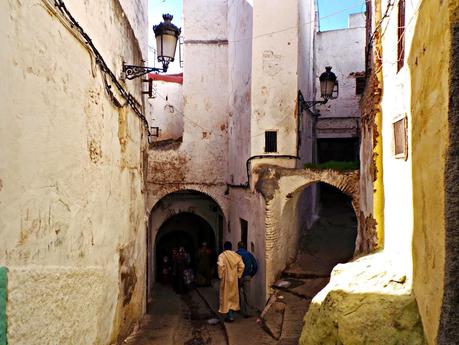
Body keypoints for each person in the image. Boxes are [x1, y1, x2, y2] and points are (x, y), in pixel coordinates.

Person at [217, 241, 245, 322]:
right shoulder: (236, 256)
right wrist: (238, 275)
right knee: (233, 297)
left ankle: (230, 316)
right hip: (234, 280)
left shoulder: (222, 256)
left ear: (224, 247)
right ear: (231, 247)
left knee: (226, 297)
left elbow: (220, 265)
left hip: (226, 279)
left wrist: (220, 275)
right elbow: (242, 266)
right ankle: (231, 314)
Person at [236, 241, 258, 318]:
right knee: (247, 294)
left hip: (237, 277)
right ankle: (247, 312)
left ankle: (237, 308)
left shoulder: (235, 254)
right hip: (247, 276)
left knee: (237, 293)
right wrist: (251, 274)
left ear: (238, 246)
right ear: (245, 247)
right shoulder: (249, 254)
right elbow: (255, 265)